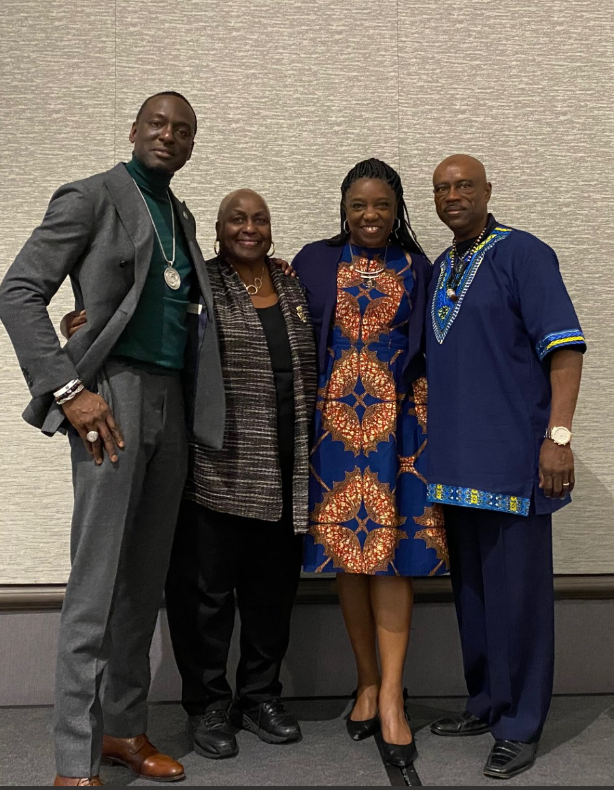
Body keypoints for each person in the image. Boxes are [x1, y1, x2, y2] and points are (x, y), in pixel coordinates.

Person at [0, 92, 225, 786]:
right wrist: (70, 390)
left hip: (170, 401)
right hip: (111, 397)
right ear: (133, 129)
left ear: (192, 145)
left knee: (143, 581)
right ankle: (74, 757)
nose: (169, 136)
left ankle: (123, 730)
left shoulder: (181, 215)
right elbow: (17, 291)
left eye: (183, 130)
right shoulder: (91, 197)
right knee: (96, 581)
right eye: (158, 123)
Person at [426, 154, 586, 780]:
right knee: (473, 596)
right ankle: (487, 702)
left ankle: (520, 724)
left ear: (488, 190)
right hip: (454, 466)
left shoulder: (525, 254)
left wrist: (558, 437)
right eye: (442, 188)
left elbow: (565, 350)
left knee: (518, 600)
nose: (453, 195)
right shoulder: (440, 268)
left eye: (464, 185)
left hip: (514, 463)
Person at [293, 159, 449, 768]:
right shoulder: (314, 260)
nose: (370, 215)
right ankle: (364, 680)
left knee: (393, 558)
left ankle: (390, 697)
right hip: (334, 421)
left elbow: (443, 343)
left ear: (397, 208)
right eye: (359, 204)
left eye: (381, 204)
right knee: (349, 552)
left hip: (399, 422)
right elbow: (261, 304)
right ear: (344, 207)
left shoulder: (418, 266)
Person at [163, 190, 317, 759]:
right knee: (205, 598)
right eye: (237, 219)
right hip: (217, 468)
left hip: (287, 468)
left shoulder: (292, 284)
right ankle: (207, 705)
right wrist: (86, 321)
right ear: (219, 228)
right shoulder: (200, 282)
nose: (249, 228)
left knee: (271, 593)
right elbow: (151, 321)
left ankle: (259, 697)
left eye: (259, 219)